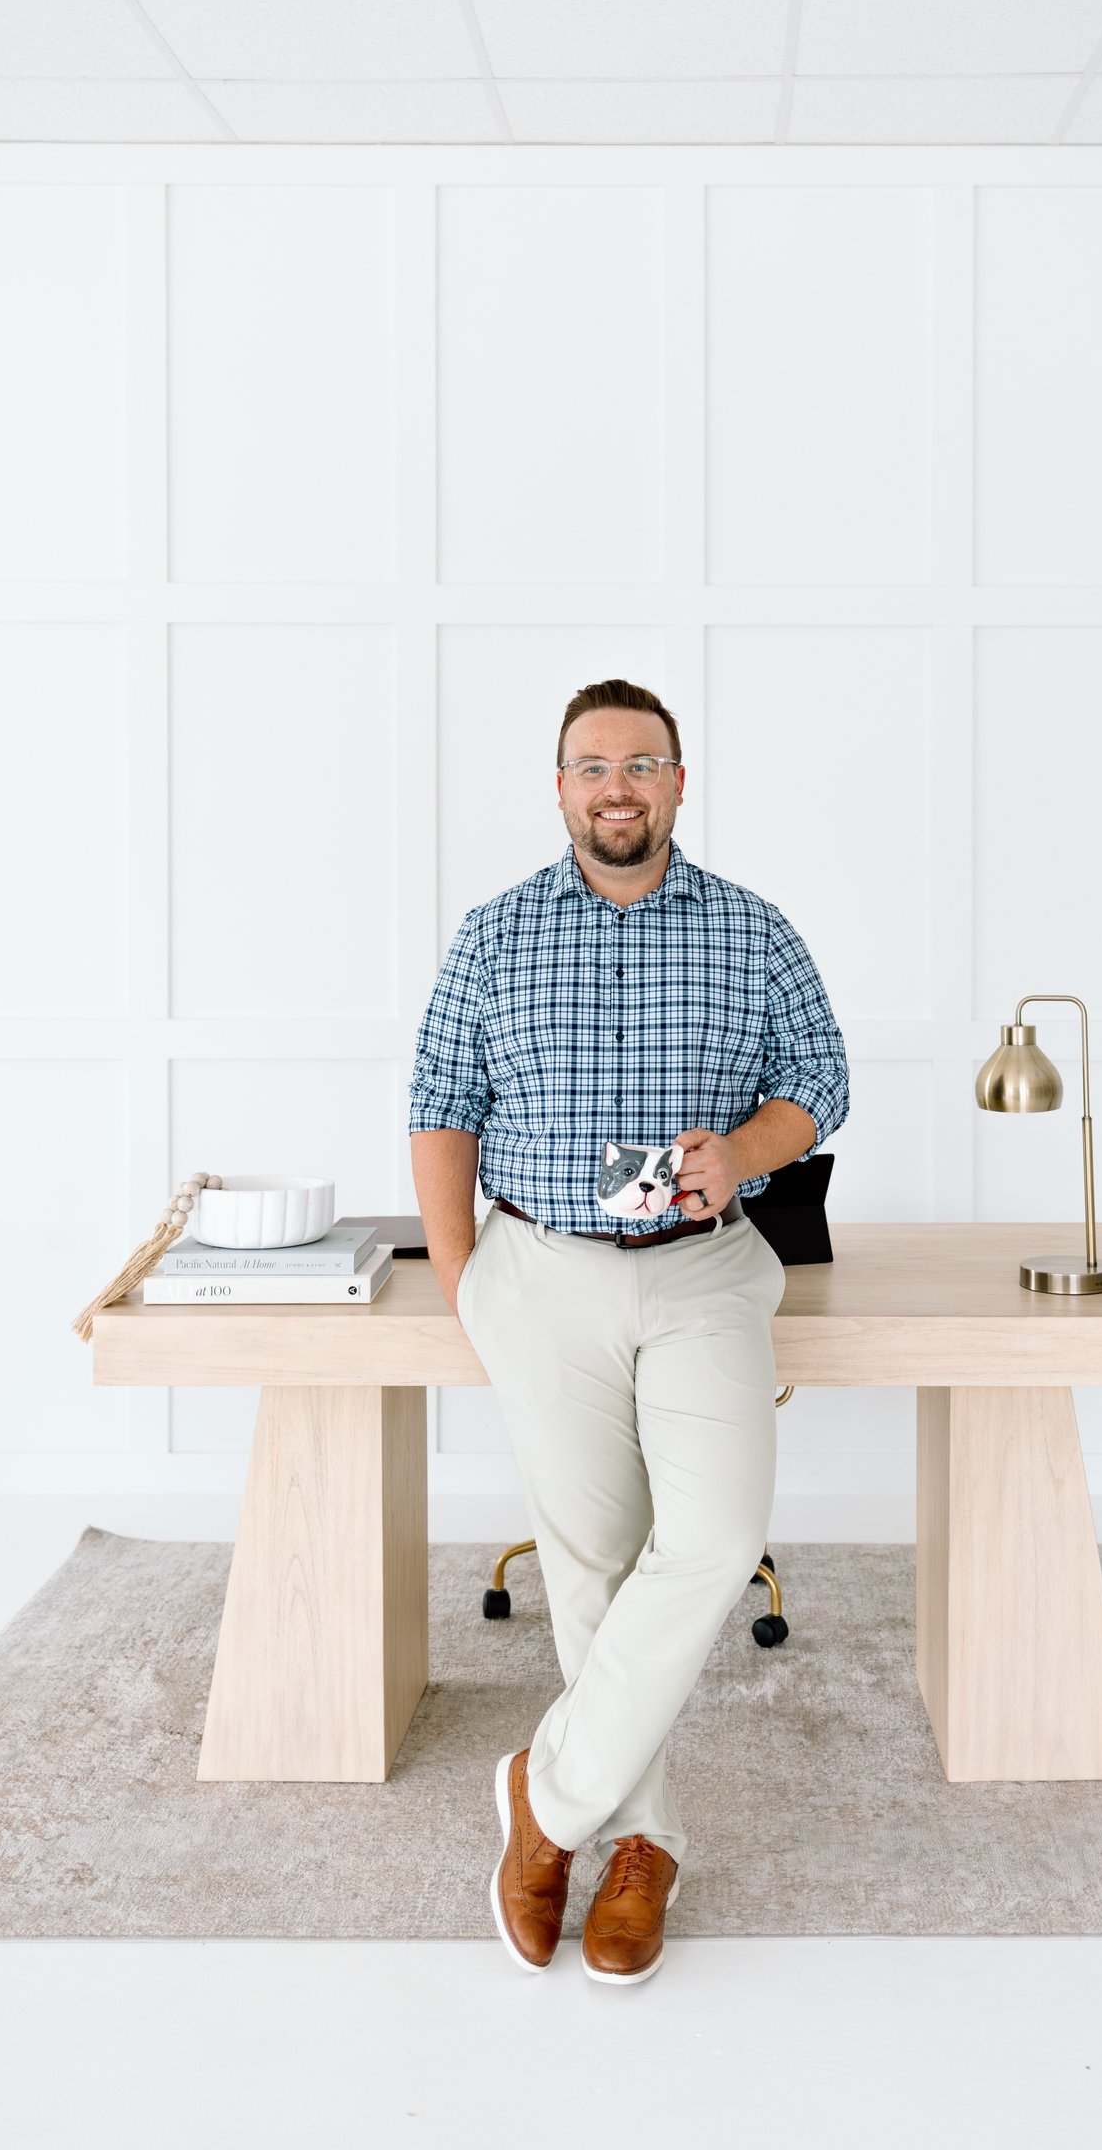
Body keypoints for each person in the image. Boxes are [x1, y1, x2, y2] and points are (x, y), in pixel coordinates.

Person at [407, 677, 850, 1984]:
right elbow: (440, 1102)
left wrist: (745, 1152)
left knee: (713, 1538)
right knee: (593, 1562)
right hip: (540, 1270)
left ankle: (543, 1802)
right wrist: (463, 1279)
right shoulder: (496, 935)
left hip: (704, 1269)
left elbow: (819, 1082)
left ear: (678, 783)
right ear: (561, 787)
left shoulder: (752, 929)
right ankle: (641, 1842)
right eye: (593, 766)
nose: (617, 787)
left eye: (642, 765)